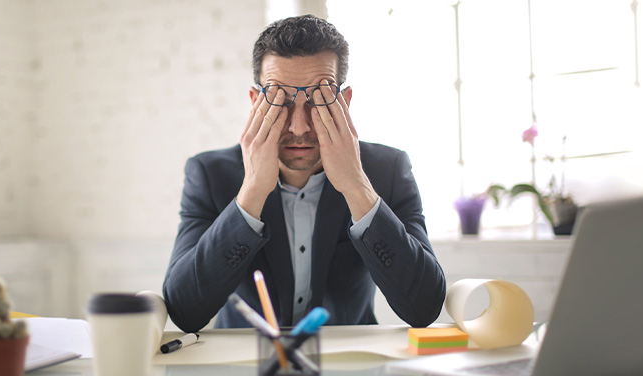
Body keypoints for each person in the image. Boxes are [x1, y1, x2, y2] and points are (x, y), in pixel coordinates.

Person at [163, 15, 446, 333]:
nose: (299, 128)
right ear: (256, 102)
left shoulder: (387, 170)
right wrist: (252, 190)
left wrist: (356, 186)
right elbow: (184, 311)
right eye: (279, 101)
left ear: (345, 102)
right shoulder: (210, 175)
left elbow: (424, 308)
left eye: (319, 100)